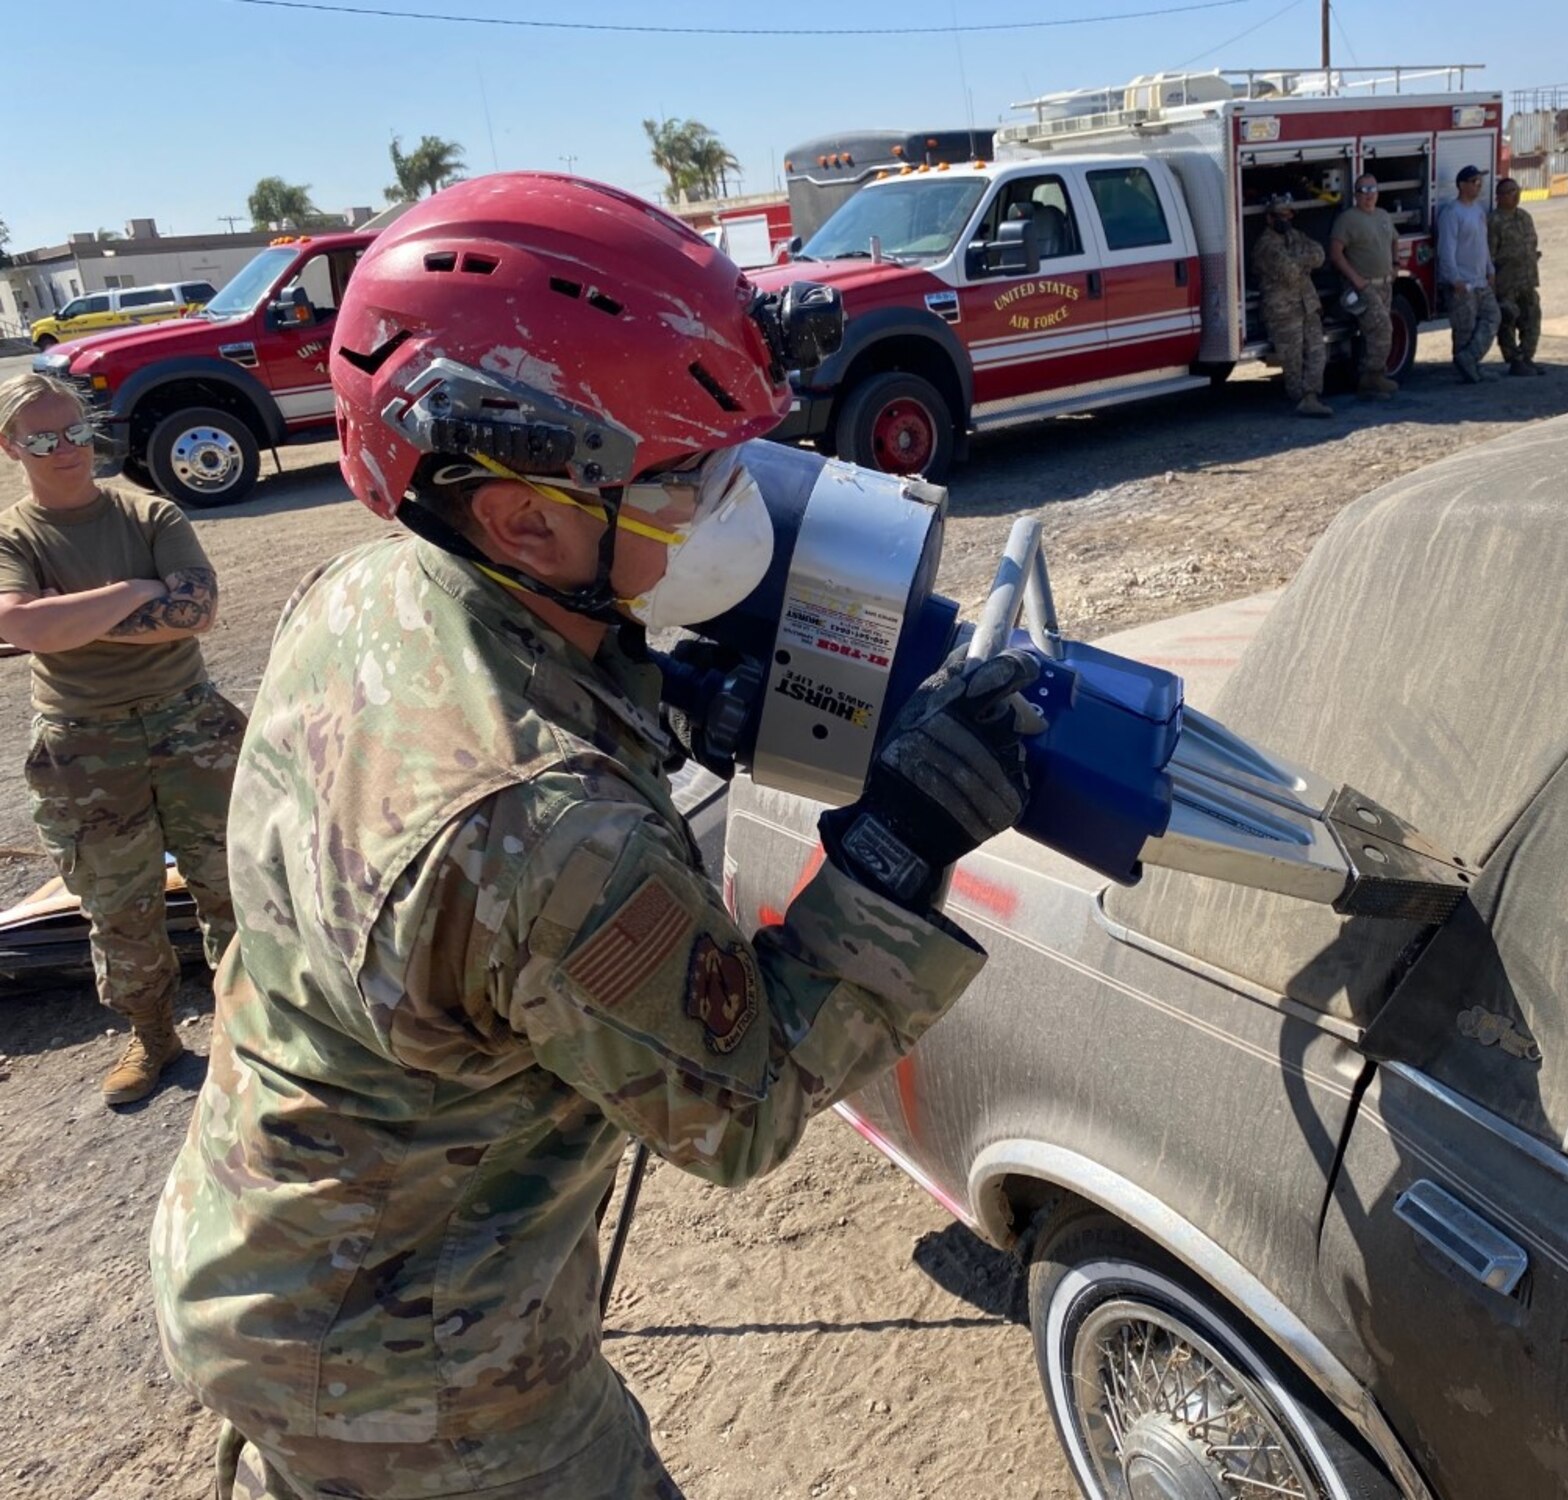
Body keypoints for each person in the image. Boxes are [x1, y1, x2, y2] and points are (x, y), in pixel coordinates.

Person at [149, 173, 1044, 1500]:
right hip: (418, 1369)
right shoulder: (543, 828)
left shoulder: (376, 584)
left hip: (273, 1254)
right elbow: (735, 1107)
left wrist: (659, 693)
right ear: (523, 515)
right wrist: (896, 847)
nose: (729, 501)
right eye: (690, 473)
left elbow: (492, 747)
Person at [0, 371, 243, 1106]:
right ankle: (155, 1035)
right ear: (11, 445)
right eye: (43, 438)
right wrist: (137, 593)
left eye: (74, 430)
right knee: (119, 903)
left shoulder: (151, 512)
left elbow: (195, 611)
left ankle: (251, 1030)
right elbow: (20, 625)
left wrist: (71, 616)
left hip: (190, 723)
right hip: (84, 744)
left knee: (234, 883)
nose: (65, 449)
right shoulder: (14, 535)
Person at [1249, 194, 1333, 418]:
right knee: (1293, 361)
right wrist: (1303, 262)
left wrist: (1298, 259)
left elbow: (1320, 254)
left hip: (1308, 304)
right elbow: (1291, 273)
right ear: (1269, 218)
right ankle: (1301, 399)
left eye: (1288, 215)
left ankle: (1312, 396)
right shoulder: (1265, 246)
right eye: (1279, 216)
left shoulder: (1296, 236)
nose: (1285, 219)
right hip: (1283, 312)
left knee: (1317, 352)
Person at [1327, 173, 1399, 398]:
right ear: (1356, 195)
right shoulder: (1347, 219)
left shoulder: (1383, 215)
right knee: (1382, 328)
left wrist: (1395, 265)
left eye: (1372, 190)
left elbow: (1395, 239)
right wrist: (1356, 280)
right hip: (1363, 287)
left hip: (1385, 284)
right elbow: (1336, 254)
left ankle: (1371, 378)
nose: (1369, 195)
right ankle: (1372, 378)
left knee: (1374, 333)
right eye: (1363, 191)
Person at [1434, 163, 1500, 383]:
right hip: (1462, 283)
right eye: (1474, 181)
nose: (1478, 185)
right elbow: (1447, 249)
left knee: (1493, 316)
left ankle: (1470, 359)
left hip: (1480, 280)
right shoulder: (1452, 213)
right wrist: (1454, 278)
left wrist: (1490, 269)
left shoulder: (1478, 210)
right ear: (1461, 185)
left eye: (1480, 181)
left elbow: (1483, 244)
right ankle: (1466, 370)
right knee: (1465, 328)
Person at [1489, 177, 1545, 377]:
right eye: (1511, 191)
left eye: (1517, 190)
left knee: (1532, 318)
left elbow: (1532, 244)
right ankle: (1514, 360)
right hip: (1506, 282)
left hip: (1528, 280)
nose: (1516, 194)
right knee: (1507, 321)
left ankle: (1527, 357)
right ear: (1500, 197)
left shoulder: (1524, 217)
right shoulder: (1494, 221)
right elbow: (1490, 255)